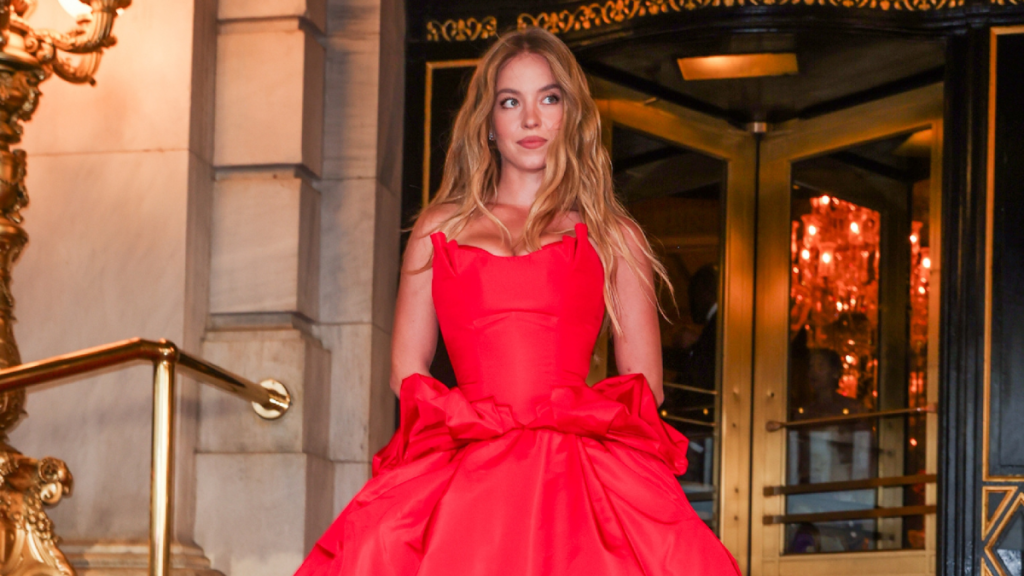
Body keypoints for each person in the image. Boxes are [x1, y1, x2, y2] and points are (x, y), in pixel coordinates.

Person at [294, 27, 741, 576]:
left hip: (576, 471)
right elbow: (404, 370)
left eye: (548, 99)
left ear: (571, 114)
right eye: (511, 102)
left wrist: (564, 423)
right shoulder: (442, 226)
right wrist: (476, 422)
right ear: (489, 122)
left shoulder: (613, 233)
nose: (531, 120)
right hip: (466, 460)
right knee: (379, 545)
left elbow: (645, 382)